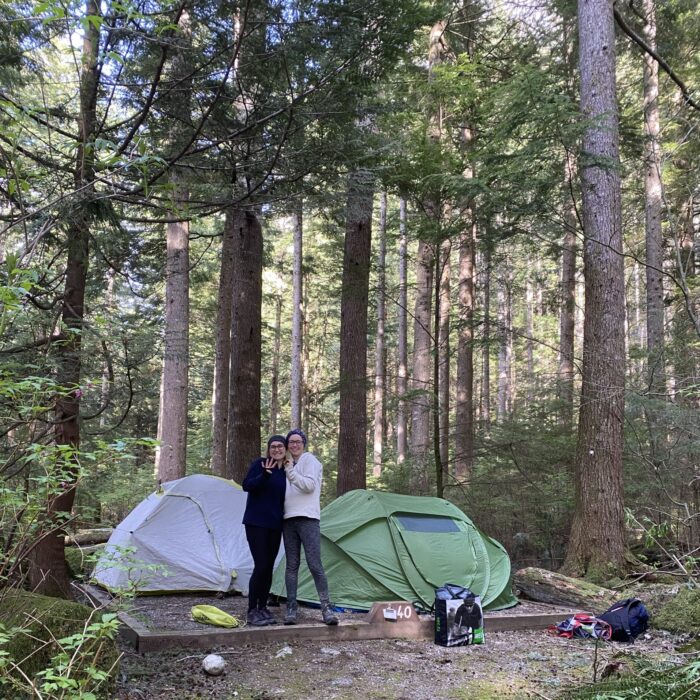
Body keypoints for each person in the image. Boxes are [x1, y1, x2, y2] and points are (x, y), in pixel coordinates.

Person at [282, 428, 338, 626]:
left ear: (303, 443)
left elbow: (309, 486)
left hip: (308, 519)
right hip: (288, 520)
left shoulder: (309, 461)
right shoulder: (287, 463)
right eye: (291, 442)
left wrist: (290, 471)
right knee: (291, 566)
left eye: (298, 441)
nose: (294, 445)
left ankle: (326, 608)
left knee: (315, 564)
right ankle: (291, 608)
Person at [242, 434, 288, 626]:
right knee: (260, 565)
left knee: (269, 567)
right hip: (256, 522)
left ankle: (262, 607)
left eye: (280, 446)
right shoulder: (261, 464)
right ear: (268, 449)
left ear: (285, 449)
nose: (276, 449)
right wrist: (264, 475)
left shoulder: (286, 471)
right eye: (273, 446)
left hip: (275, 525)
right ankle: (252, 609)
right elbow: (247, 486)